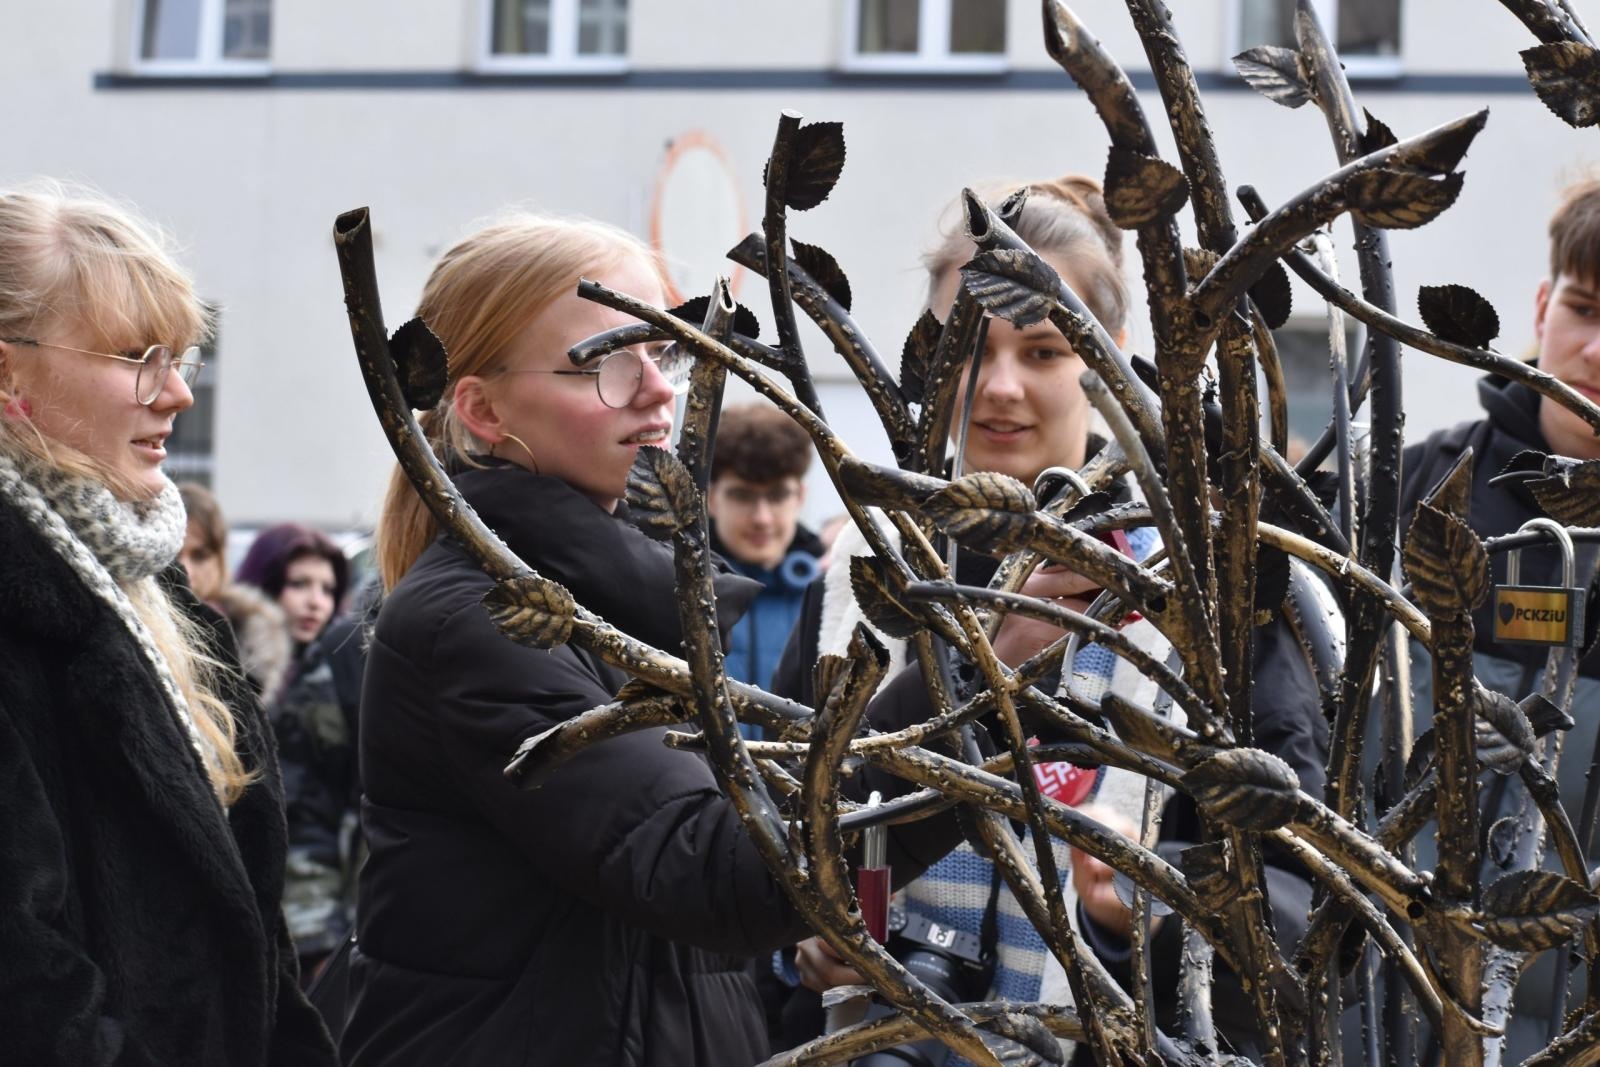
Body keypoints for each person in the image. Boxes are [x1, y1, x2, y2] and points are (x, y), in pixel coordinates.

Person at [340, 210, 966, 1066]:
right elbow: (725, 875)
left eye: (663, 350)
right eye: (606, 360)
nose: (659, 388)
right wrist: (974, 682)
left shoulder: (625, 605)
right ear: (483, 410)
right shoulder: (480, 620)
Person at [772, 175, 1330, 1062]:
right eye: (970, 347)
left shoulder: (1205, 586)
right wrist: (798, 933)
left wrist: (1150, 893)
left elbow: (1301, 876)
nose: (998, 388)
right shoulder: (861, 575)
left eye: (1039, 351)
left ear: (1104, 355)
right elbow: (768, 824)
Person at [0, 181, 335, 1063]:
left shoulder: (159, 598)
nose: (179, 393)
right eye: (137, 355)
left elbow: (256, 942)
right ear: (8, 372)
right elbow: (29, 989)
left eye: (181, 356)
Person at [1397, 176, 1600, 1061]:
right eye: (1585, 308)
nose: (1597, 349)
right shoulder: (1417, 491)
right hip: (1396, 998)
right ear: (1543, 303)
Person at [708, 402, 826, 717]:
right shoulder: (678, 590)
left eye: (777, 496)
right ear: (710, 498)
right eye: (742, 496)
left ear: (800, 496)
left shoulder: (830, 595)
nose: (762, 518)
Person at [178, 480, 292, 698]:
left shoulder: (250, 629)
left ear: (220, 559)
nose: (185, 570)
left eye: (200, 556)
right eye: (174, 555)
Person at [234, 522, 348, 683]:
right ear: (262, 588)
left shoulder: (344, 670)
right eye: (298, 584)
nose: (316, 602)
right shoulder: (225, 662)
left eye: (327, 590)